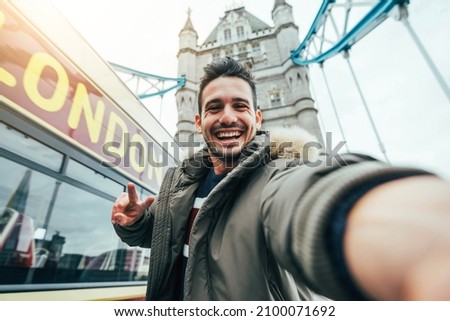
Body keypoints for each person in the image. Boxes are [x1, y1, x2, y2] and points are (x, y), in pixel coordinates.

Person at [112, 57, 450, 301]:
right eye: (215, 108)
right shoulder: (178, 183)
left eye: (240, 106)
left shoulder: (278, 174)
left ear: (257, 118)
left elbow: (307, 201)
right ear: (198, 121)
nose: (228, 116)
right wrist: (136, 224)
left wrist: (391, 225)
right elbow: (168, 239)